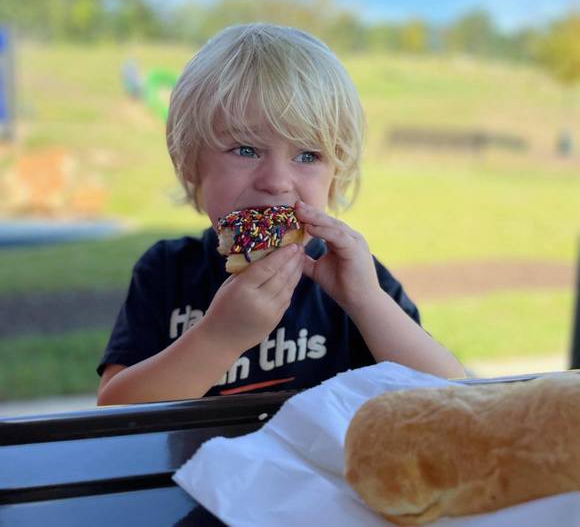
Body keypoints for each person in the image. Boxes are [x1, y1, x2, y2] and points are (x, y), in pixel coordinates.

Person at [97, 23, 464, 406]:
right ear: (191, 162)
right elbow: (114, 414)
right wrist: (219, 338)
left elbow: (451, 398)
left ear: (335, 178)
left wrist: (366, 302)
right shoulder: (165, 273)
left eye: (307, 155)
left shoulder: (354, 279)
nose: (276, 182)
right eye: (245, 150)